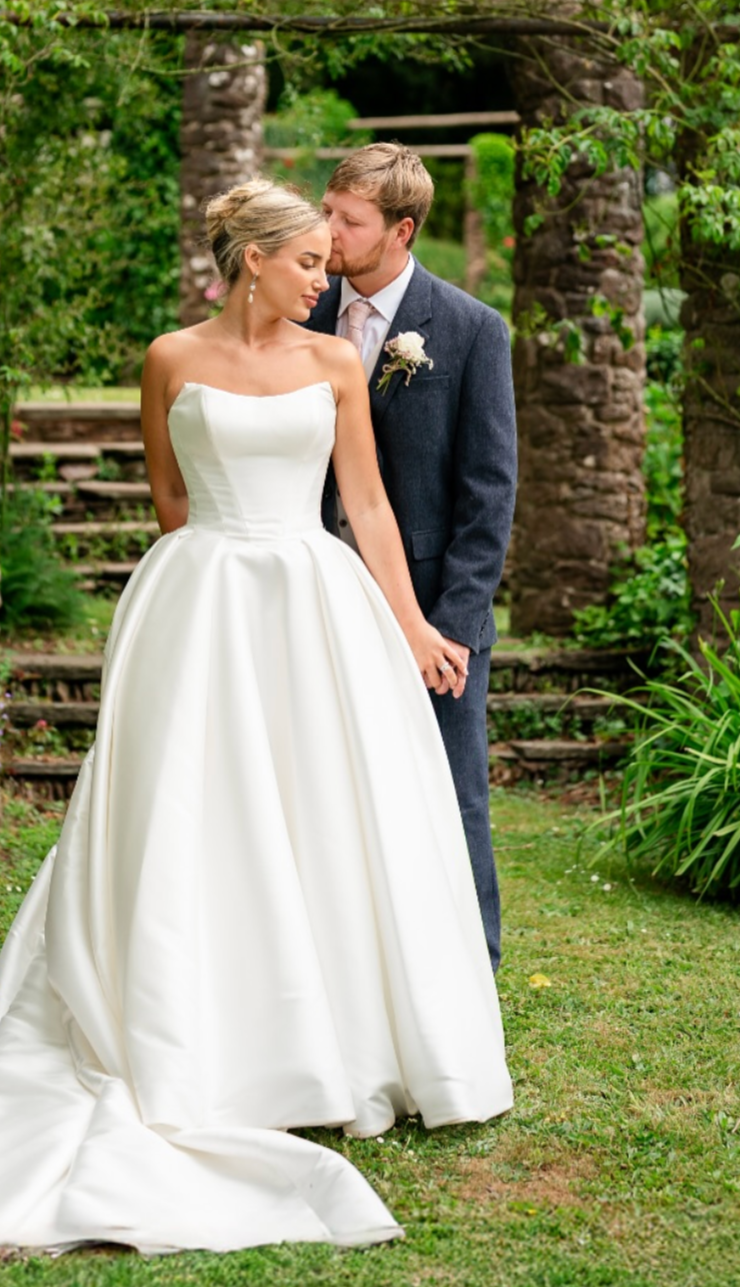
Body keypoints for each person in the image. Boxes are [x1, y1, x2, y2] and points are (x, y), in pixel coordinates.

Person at [0, 180, 512, 1257]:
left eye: (330, 267)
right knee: (195, 811)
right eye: (308, 266)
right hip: (199, 606)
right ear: (252, 260)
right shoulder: (169, 358)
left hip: (311, 601)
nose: (323, 282)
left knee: (324, 810)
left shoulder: (335, 364)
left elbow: (369, 506)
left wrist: (415, 626)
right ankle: (192, 1020)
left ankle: (330, 1037)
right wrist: (224, 563)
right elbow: (173, 502)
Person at [305, 144, 518, 972]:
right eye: (326, 211)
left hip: (431, 608)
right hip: (317, 588)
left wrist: (455, 625)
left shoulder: (469, 329)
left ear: (401, 230)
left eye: (346, 221)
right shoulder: (301, 308)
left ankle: (471, 966)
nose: (327, 232)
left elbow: (488, 491)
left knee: (451, 793)